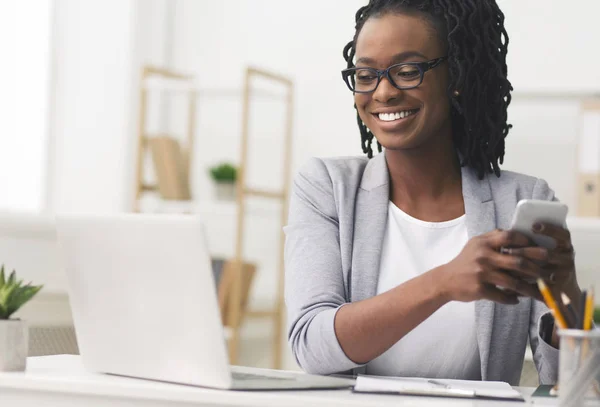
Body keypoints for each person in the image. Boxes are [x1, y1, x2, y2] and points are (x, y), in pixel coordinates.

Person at [284, 0, 582, 386]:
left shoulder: (521, 199)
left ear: (455, 76)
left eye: (407, 71)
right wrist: (443, 283)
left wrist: (567, 296)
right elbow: (311, 344)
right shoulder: (327, 186)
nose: (383, 92)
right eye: (365, 74)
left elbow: (567, 384)